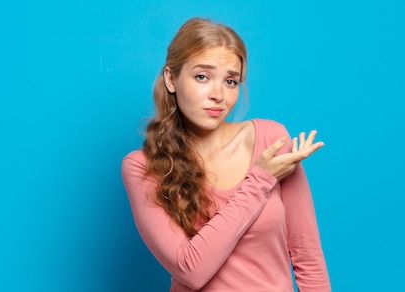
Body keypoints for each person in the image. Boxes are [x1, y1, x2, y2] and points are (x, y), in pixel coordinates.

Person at [121, 17, 331, 292]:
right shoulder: (142, 167)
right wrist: (260, 179)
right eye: (202, 77)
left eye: (231, 81)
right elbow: (192, 269)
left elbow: (308, 257)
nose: (218, 95)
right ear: (171, 79)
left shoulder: (271, 140)